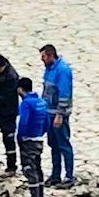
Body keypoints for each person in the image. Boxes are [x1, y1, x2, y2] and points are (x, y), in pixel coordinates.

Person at [40, 44, 74, 188]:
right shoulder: (49, 70)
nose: (42, 60)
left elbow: (64, 94)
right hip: (49, 113)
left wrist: (60, 114)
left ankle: (69, 176)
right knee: (53, 144)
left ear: (50, 55)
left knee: (63, 144)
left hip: (58, 114)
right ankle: (55, 175)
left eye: (43, 56)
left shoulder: (62, 71)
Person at [16, 77, 49, 197]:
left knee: (29, 169)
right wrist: (41, 133)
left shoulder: (26, 103)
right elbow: (47, 121)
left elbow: (23, 122)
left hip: (28, 140)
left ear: (20, 89)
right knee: (37, 166)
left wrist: (20, 137)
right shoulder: (41, 102)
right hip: (39, 139)